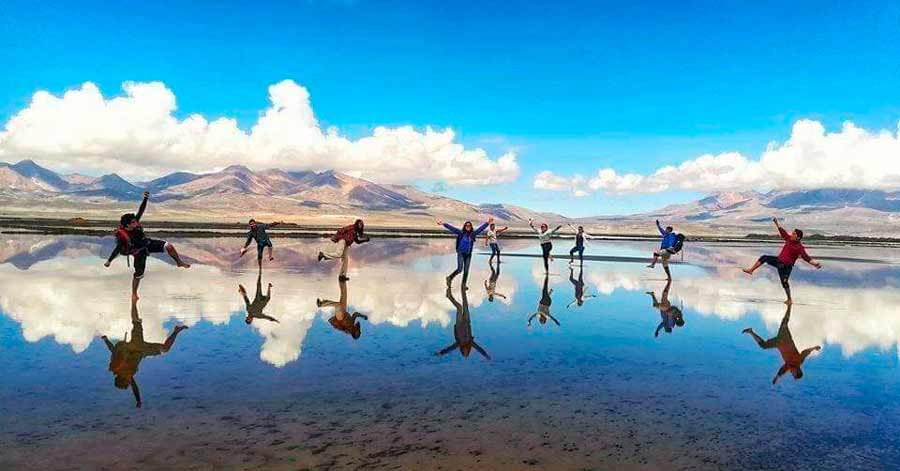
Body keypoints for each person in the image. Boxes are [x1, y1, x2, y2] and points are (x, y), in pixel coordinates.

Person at [101, 298, 188, 408]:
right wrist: (138, 400)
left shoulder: (118, 366)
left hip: (135, 346)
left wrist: (106, 340)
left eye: (128, 380)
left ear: (122, 377)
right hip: (143, 352)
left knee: (136, 322)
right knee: (165, 349)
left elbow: (113, 350)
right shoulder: (128, 374)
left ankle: (133, 301)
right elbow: (135, 387)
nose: (130, 380)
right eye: (129, 381)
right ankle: (176, 331)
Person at [104, 191, 190, 301]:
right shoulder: (122, 237)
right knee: (139, 274)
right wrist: (109, 261)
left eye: (136, 221)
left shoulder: (136, 223)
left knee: (169, 246)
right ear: (127, 225)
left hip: (147, 243)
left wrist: (145, 199)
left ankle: (179, 262)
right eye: (134, 222)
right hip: (138, 252)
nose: (137, 223)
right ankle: (134, 294)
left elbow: (141, 210)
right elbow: (117, 249)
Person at [742, 217, 823, 304]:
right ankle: (751, 270)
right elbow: (782, 232)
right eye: (792, 233)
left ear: (798, 237)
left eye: (794, 234)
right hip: (778, 261)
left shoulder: (799, 247)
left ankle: (789, 299)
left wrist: (815, 264)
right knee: (764, 257)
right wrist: (776, 223)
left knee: (784, 282)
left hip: (787, 267)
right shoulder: (788, 239)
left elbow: (806, 257)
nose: (792, 234)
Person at [742, 304, 821, 384]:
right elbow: (805, 352)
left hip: (778, 343)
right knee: (784, 323)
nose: (791, 373)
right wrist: (814, 348)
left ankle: (750, 331)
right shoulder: (799, 361)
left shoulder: (789, 366)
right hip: (786, 339)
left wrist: (776, 378)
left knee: (763, 345)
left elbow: (782, 371)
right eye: (793, 373)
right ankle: (789, 305)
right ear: (798, 370)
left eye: (792, 374)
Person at [435, 286, 490, 360]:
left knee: (459, 308)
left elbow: (450, 348)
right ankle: (463, 291)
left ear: (461, 351)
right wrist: (485, 355)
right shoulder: (471, 343)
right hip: (467, 321)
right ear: (468, 351)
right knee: (465, 304)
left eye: (463, 352)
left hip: (459, 324)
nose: (464, 351)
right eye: (466, 352)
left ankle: (449, 296)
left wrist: (441, 353)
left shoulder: (459, 344)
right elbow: (479, 348)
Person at [438, 217, 492, 289]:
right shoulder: (461, 233)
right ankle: (450, 278)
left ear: (471, 227)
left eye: (469, 226)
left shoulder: (473, 234)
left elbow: (480, 229)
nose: (468, 227)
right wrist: (443, 224)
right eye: (467, 225)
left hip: (468, 254)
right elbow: (452, 228)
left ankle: (463, 285)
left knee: (466, 271)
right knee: (460, 269)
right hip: (461, 253)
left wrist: (488, 223)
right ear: (465, 226)